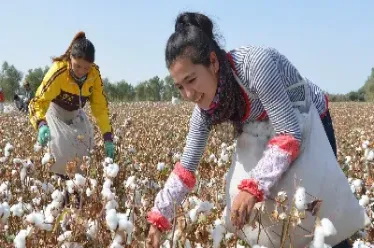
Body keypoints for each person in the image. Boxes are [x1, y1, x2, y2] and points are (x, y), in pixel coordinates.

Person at [145, 12, 367, 248]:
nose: (188, 95)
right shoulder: (204, 111)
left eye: (191, 80)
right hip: (270, 131)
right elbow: (185, 168)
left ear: (213, 62)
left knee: (323, 214)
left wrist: (253, 187)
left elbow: (290, 132)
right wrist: (160, 218)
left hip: (309, 121)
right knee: (278, 218)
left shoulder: (254, 65)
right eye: (180, 86)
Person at [28, 31, 115, 176]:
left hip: (76, 113)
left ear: (92, 65)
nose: (81, 71)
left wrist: (107, 137)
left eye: (86, 68)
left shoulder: (94, 75)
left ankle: (77, 188)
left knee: (86, 149)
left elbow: (100, 108)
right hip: (55, 112)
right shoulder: (58, 71)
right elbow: (38, 102)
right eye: (77, 66)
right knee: (60, 152)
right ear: (70, 58)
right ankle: (60, 183)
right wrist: (41, 124)